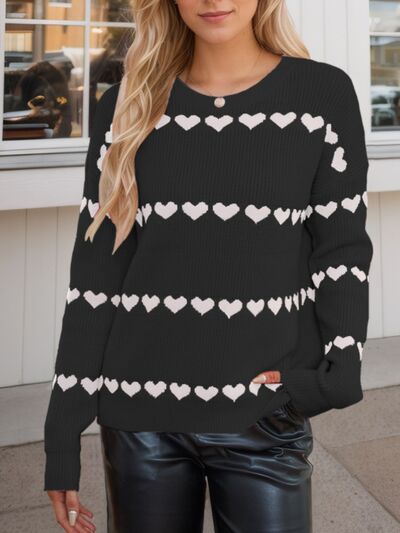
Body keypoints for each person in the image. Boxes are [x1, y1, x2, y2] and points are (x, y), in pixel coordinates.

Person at [43, 0, 374, 531]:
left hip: (262, 414)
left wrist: (339, 373)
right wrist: (62, 437)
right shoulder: (127, 105)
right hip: (138, 414)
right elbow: (95, 278)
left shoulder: (320, 96)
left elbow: (341, 249)